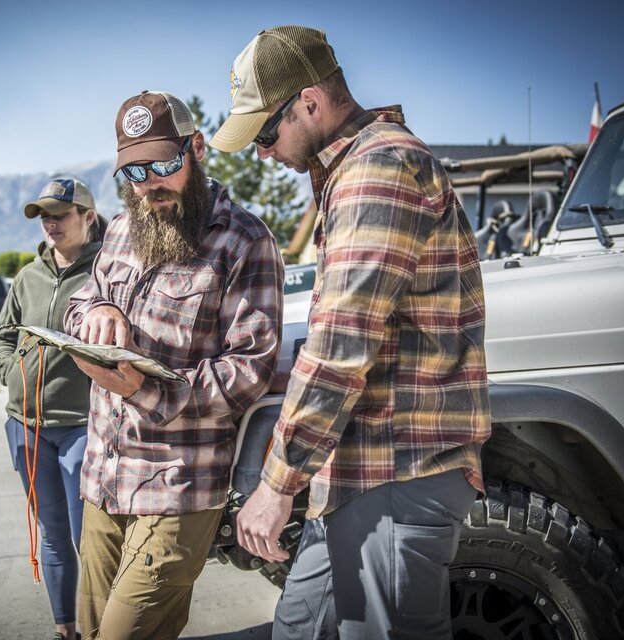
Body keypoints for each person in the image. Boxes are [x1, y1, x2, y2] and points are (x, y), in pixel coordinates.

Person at [211, 26, 492, 639]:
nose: (261, 153)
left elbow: (340, 343)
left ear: (310, 103)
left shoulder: (376, 171)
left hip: (396, 471)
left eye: (265, 133)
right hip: (354, 472)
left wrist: (276, 483)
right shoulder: (354, 169)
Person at [63, 90, 285, 640]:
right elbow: (76, 307)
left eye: (163, 164)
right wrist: (100, 308)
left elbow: (250, 368)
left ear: (198, 149)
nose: (149, 182)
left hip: (180, 487)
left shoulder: (245, 241)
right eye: (134, 171)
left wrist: (146, 389)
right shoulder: (117, 230)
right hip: (103, 480)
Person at [0, 177, 106, 640]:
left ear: (88, 216)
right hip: (26, 427)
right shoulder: (27, 276)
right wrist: (11, 372)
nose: (50, 223)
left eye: (60, 213)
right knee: (53, 535)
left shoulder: (108, 271)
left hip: (84, 428)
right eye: (44, 215)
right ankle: (65, 629)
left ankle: (105, 629)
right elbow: (4, 333)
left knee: (90, 539)